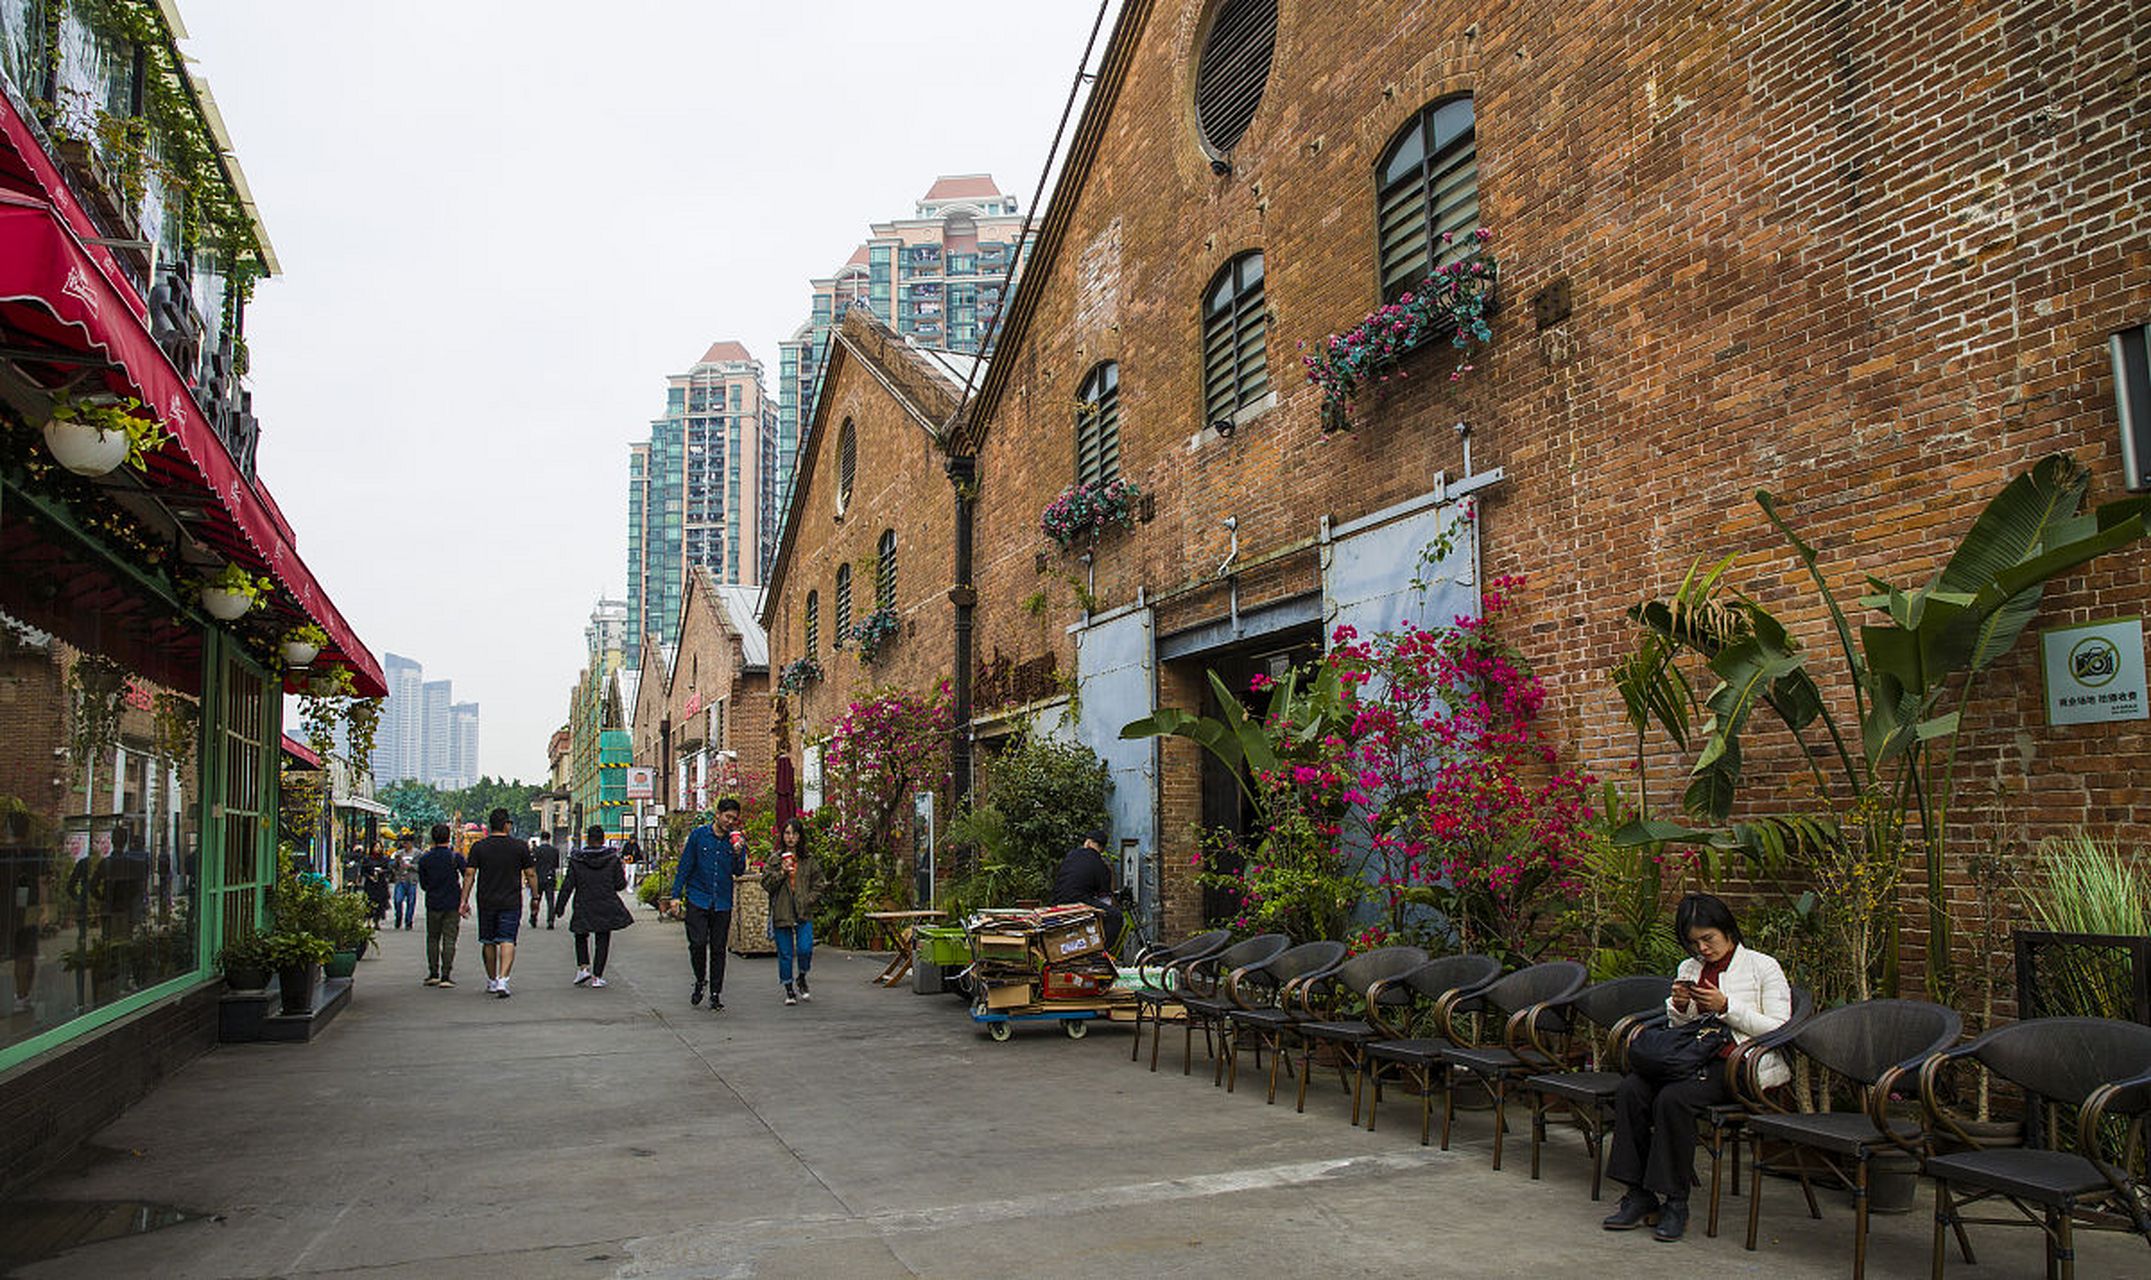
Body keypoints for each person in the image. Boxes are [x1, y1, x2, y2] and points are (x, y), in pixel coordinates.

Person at [1603, 892, 1793, 1243]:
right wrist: (1678, 1006)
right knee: (1631, 1088)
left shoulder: (1762, 966)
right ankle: (1638, 1194)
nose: (1703, 949)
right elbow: (1681, 1031)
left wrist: (1727, 1007)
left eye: (1709, 939)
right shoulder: (1689, 969)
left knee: (1673, 1099)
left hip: (1740, 1065)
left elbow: (1781, 1028)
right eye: (1695, 943)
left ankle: (1676, 1202)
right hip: (1692, 1057)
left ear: (1728, 931)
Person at [660, 799, 746, 1011]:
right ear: (718, 814)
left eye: (734, 819)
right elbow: (685, 866)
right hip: (698, 897)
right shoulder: (699, 836)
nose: (730, 822)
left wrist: (738, 853)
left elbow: (739, 871)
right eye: (727, 817)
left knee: (718, 949)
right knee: (697, 943)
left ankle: (716, 993)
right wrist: (675, 895)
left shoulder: (735, 841)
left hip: (722, 902)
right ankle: (700, 979)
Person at [459, 809, 535, 999]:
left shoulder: (479, 847)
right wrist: (536, 896)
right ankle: (503, 979)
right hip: (510, 901)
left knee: (488, 941)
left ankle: (492, 980)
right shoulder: (519, 847)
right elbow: (531, 873)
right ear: (506, 824)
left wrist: (464, 900)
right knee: (507, 939)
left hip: (486, 900)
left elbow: (469, 874)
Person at [552, 825, 634, 987]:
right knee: (602, 938)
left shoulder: (577, 860)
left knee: (580, 934)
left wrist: (559, 907)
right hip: (605, 902)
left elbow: (568, 885)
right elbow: (620, 884)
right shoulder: (612, 859)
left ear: (587, 840)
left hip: (584, 902)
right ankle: (597, 976)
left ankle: (583, 968)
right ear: (603, 840)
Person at [760, 817, 821, 1006]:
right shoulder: (775, 859)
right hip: (782, 910)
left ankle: (802, 976)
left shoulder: (808, 860)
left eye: (794, 833)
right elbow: (767, 884)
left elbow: (819, 883)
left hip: (803, 910)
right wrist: (782, 873)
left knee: (805, 949)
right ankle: (788, 988)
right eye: (787, 833)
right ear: (782, 836)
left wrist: (809, 899)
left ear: (800, 836)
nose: (791, 837)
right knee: (785, 953)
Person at [1050, 826, 1122, 949]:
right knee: (1115, 916)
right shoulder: (1100, 864)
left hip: (1057, 901)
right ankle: (1102, 952)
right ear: (1102, 848)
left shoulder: (1071, 855)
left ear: (1088, 843)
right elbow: (1104, 894)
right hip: (1079, 901)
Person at [416, 824, 466, 988]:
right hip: (452, 903)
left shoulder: (425, 859)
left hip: (433, 902)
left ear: (433, 838)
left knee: (432, 938)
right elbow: (467, 875)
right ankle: (446, 975)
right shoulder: (455, 857)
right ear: (448, 836)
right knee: (450, 939)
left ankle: (433, 973)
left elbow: (423, 884)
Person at [529, 834, 561, 929]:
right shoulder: (554, 851)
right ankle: (550, 920)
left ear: (541, 838)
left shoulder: (536, 850)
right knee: (550, 900)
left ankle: (533, 917)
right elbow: (556, 865)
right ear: (549, 838)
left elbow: (532, 864)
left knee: (536, 899)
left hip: (538, 878)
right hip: (550, 877)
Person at [359, 842, 393, 928]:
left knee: (380, 903)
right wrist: (369, 876)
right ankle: (368, 921)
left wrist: (382, 871)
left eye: (379, 847)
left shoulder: (384, 859)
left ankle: (376, 921)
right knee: (370, 902)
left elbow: (389, 870)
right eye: (376, 847)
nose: (378, 849)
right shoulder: (367, 859)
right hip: (370, 884)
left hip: (380, 884)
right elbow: (363, 871)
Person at [390, 835, 419, 930]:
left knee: (411, 902)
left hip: (412, 880)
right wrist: (397, 862)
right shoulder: (399, 853)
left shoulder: (417, 853)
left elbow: (420, 867)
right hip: (400, 880)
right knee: (398, 900)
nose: (404, 845)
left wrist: (410, 866)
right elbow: (392, 866)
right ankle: (398, 917)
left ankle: (408, 921)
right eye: (403, 843)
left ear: (411, 843)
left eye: (406, 842)